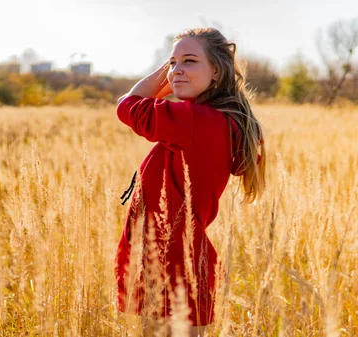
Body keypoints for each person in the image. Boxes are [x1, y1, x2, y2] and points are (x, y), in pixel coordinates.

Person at [113, 28, 266, 336]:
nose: (177, 70)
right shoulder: (219, 120)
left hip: (170, 264)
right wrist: (180, 67)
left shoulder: (194, 120)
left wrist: (167, 72)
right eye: (172, 62)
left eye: (190, 61)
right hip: (182, 260)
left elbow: (128, 105)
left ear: (216, 73)